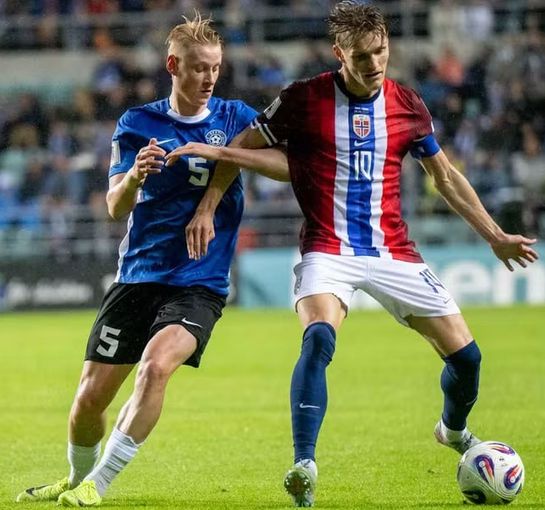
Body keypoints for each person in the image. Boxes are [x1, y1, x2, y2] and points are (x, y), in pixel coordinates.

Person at [171, 2, 539, 507]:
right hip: (327, 248)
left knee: (468, 360)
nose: (375, 64)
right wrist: (208, 204)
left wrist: (494, 235)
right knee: (318, 339)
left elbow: (445, 178)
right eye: (363, 56)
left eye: (381, 52)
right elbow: (243, 146)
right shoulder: (303, 99)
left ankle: (452, 431)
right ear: (339, 53)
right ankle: (304, 464)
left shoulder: (408, 105)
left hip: (394, 251)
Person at [15, 13, 280, 507]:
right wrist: (136, 175)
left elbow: (287, 165)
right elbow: (115, 207)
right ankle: (75, 479)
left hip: (199, 281)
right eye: (199, 68)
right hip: (138, 275)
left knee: (156, 368)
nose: (209, 78)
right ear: (172, 65)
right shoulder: (138, 123)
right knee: (88, 402)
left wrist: (225, 159)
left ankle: (97, 485)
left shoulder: (236, 118)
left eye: (215, 68)